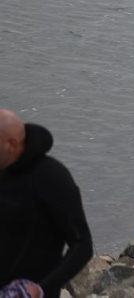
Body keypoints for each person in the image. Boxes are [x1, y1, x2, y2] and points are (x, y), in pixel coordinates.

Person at [1, 109, 92, 298]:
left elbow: (82, 245)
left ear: (11, 144)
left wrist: (41, 288)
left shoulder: (51, 177)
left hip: (28, 292)